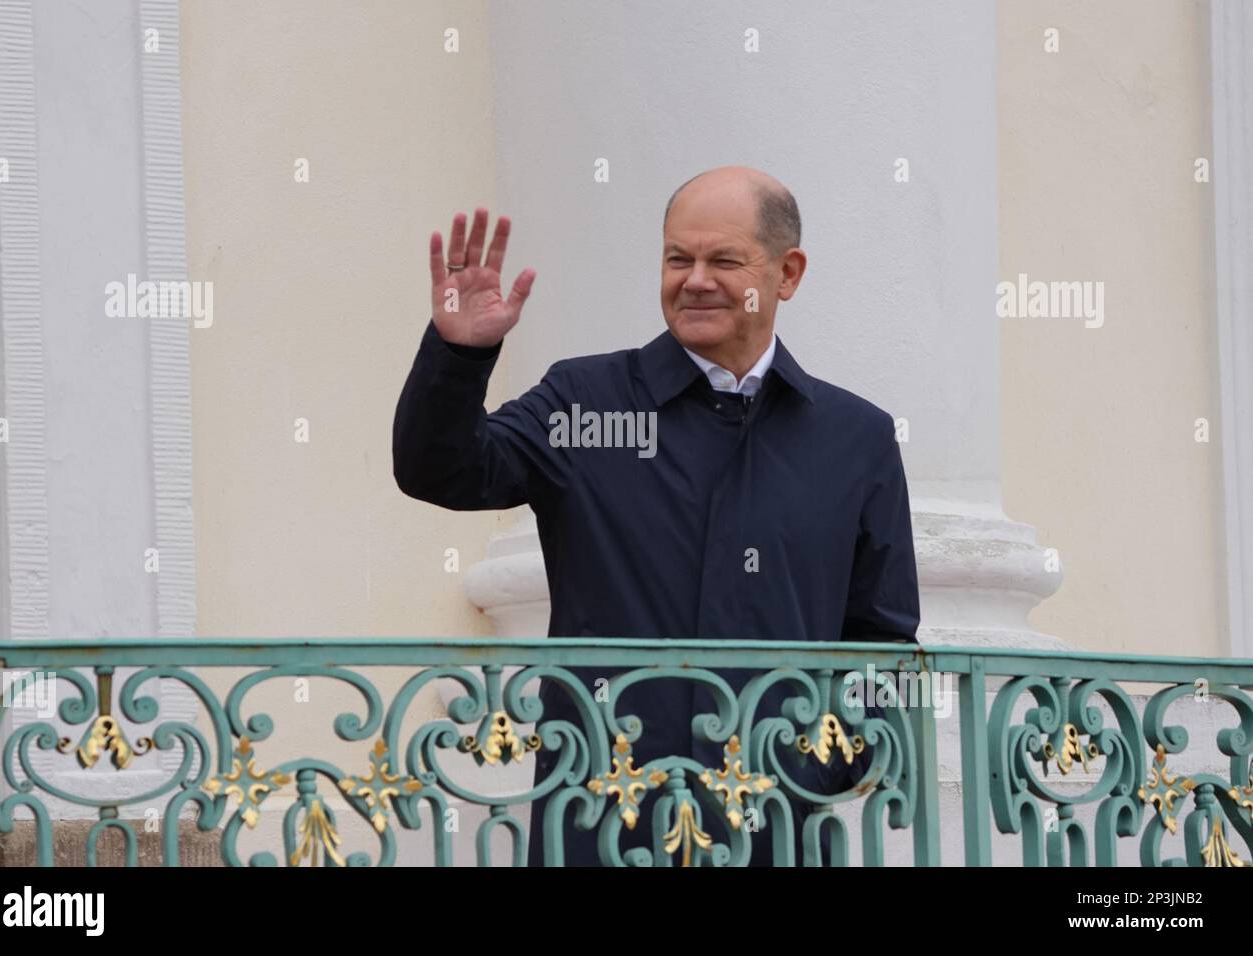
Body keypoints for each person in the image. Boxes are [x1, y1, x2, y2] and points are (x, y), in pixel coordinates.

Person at [393, 165, 920, 866]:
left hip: (777, 833)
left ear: (786, 274)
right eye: (678, 258)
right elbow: (443, 469)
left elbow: (883, 644)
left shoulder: (856, 437)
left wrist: (814, 773)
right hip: (602, 826)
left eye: (724, 260)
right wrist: (459, 356)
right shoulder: (587, 402)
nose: (694, 279)